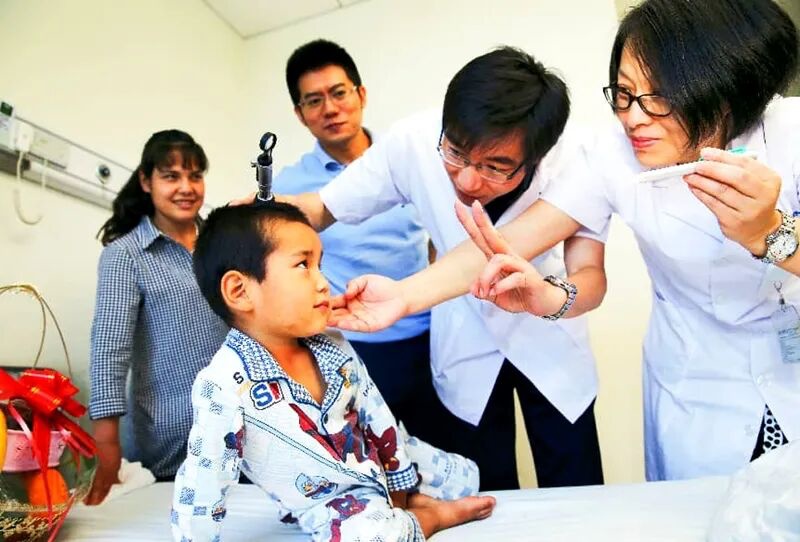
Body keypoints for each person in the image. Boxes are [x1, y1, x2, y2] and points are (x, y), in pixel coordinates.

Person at [329, 0, 800, 482]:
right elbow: (510, 241)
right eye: (623, 93)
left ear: (724, 88)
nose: (633, 118)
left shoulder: (791, 131)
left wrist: (772, 234)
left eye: (658, 97)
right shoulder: (612, 156)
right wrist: (404, 296)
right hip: (695, 387)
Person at [283, 47, 607, 490]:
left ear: (538, 155)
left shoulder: (577, 157)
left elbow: (590, 275)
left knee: (575, 482)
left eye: (496, 167)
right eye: (455, 153)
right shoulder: (413, 140)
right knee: (485, 487)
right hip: (463, 334)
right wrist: (258, 212)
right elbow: (322, 206)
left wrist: (550, 297)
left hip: (550, 335)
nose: (468, 181)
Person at [171, 203, 495, 541]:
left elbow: (376, 415)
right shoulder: (222, 386)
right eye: (303, 265)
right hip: (333, 498)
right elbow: (203, 481)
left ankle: (411, 502)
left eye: (320, 266)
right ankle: (433, 517)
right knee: (370, 536)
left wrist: (399, 489)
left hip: (380, 461)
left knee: (465, 480)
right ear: (240, 291)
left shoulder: (333, 344)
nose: (323, 283)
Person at [272, 39, 442, 443]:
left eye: (339, 93)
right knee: (368, 462)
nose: (330, 109)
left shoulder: (407, 160)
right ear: (300, 114)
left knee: (449, 458)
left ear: (361, 94)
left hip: (429, 337)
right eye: (314, 101)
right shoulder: (289, 187)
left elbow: (440, 234)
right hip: (349, 345)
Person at [87, 130, 228, 504]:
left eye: (195, 176)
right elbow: (109, 353)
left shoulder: (221, 245)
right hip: (167, 444)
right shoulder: (126, 255)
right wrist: (106, 443)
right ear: (146, 181)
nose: (186, 188)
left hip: (237, 432)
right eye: (171, 176)